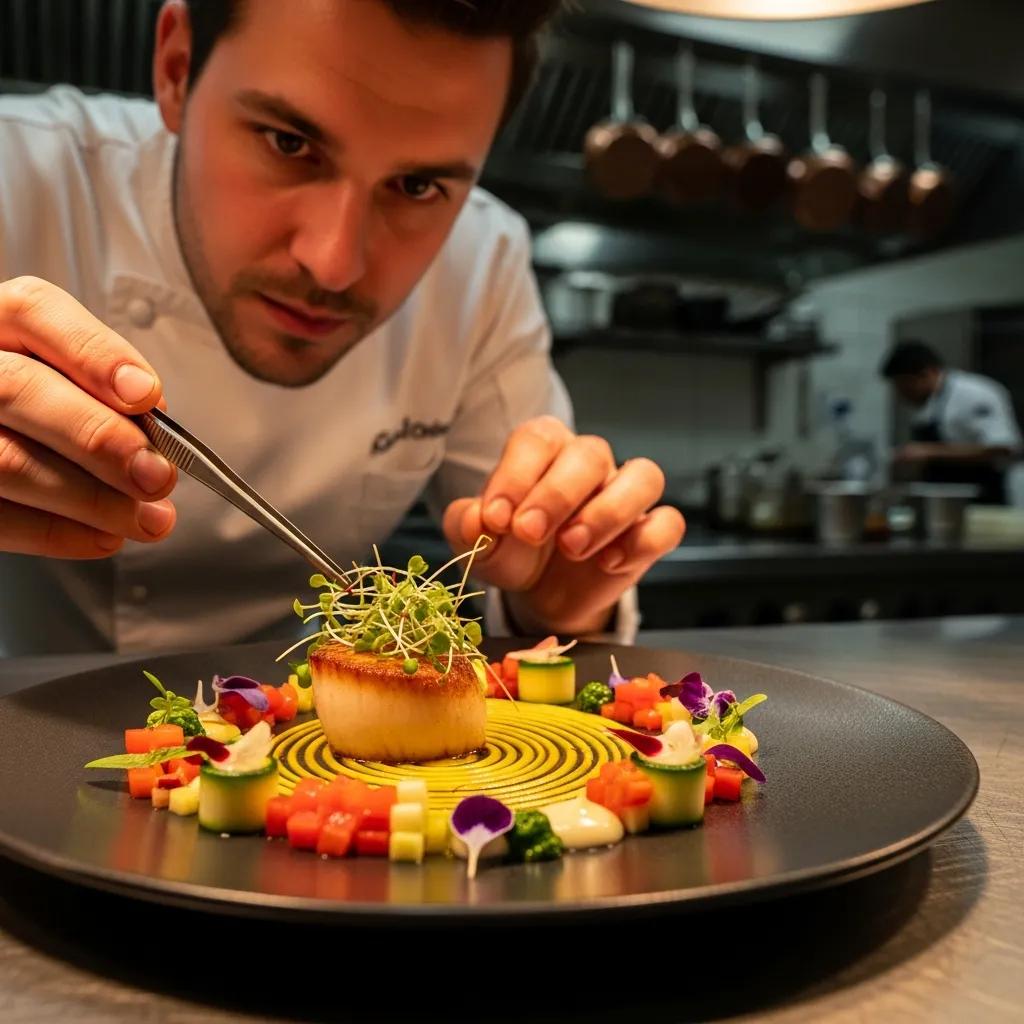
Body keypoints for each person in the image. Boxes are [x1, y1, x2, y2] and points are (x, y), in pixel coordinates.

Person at [0, 0, 685, 654]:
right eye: (289, 143)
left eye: (418, 188)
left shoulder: (483, 263)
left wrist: (562, 592)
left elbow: (534, 560)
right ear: (177, 70)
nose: (333, 264)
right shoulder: (21, 170)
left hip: (306, 741)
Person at [880, 340, 1022, 505]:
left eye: (906, 386)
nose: (902, 394)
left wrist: (928, 451)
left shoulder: (975, 394)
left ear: (928, 373)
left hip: (982, 497)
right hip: (943, 500)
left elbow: (1002, 449)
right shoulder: (928, 403)